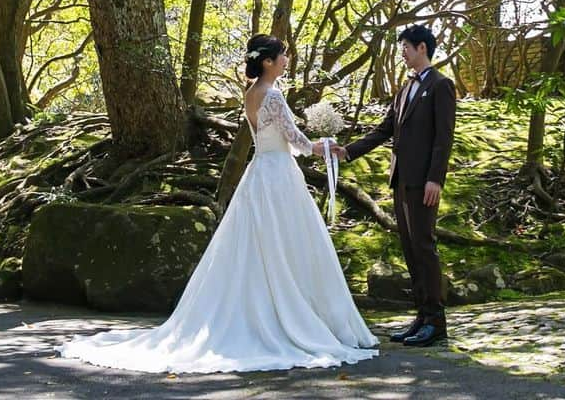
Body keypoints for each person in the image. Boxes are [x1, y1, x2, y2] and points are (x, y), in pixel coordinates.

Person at [58, 35, 378, 373]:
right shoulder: (272, 96)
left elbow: (272, 138)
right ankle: (292, 315)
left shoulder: (251, 94)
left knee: (259, 246)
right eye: (283, 56)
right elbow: (295, 141)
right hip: (280, 175)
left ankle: (262, 309)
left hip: (260, 172)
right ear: (267, 61)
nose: (287, 60)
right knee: (288, 244)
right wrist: (326, 145)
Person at [335, 23, 456, 347]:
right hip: (400, 180)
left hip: (424, 182)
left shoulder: (441, 85)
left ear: (422, 48)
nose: (401, 51)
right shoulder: (404, 90)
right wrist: (347, 152)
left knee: (425, 247)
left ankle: (436, 320)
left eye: (405, 46)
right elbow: (383, 130)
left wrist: (435, 179)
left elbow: (443, 139)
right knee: (410, 248)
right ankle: (421, 315)